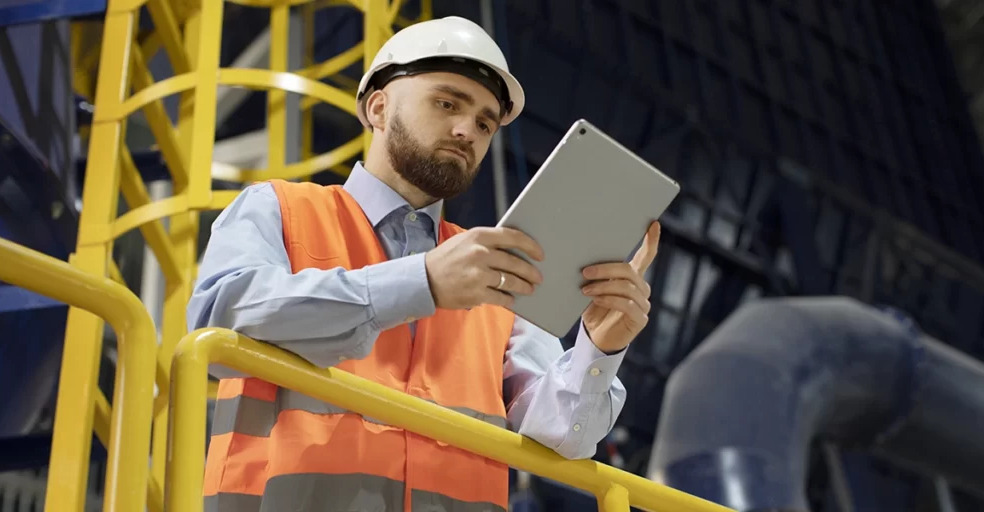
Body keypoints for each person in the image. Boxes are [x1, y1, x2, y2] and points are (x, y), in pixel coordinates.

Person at [187, 15, 660, 512]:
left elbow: (560, 437)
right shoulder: (277, 209)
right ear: (378, 107)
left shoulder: (496, 269)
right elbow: (217, 323)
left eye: (484, 122)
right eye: (447, 103)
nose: (466, 131)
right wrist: (422, 281)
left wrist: (599, 349)